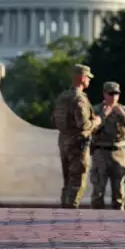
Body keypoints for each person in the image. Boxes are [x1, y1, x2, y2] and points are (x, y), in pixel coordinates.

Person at [51, 64, 101, 208]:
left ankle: (65, 207)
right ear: (82, 78)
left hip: (64, 141)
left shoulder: (63, 97)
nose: (89, 81)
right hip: (77, 143)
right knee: (78, 180)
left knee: (67, 180)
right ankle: (71, 210)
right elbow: (83, 125)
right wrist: (96, 122)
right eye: (88, 78)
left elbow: (54, 119)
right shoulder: (79, 98)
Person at [90, 81, 125, 210]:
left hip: (119, 152)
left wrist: (123, 115)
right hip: (100, 152)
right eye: (111, 94)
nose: (114, 97)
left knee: (119, 192)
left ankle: (118, 221)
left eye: (116, 94)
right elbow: (90, 129)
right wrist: (103, 116)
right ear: (104, 94)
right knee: (98, 191)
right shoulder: (96, 110)